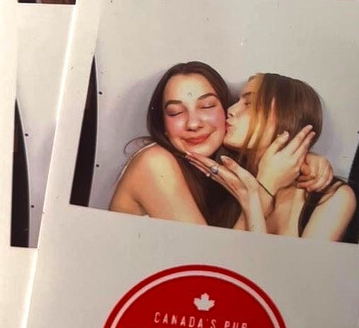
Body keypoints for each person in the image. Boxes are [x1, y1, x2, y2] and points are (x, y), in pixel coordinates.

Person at [108, 63, 334, 229]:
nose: (193, 124)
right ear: (163, 126)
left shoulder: (223, 169)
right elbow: (211, 263)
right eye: (175, 112)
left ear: (225, 113)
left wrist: (305, 158)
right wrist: (266, 187)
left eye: (207, 106)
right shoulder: (154, 163)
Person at [187, 73, 357, 242]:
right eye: (237, 101)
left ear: (287, 116)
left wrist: (257, 197)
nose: (230, 110)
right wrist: (265, 186)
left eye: (249, 103)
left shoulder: (334, 197)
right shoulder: (222, 179)